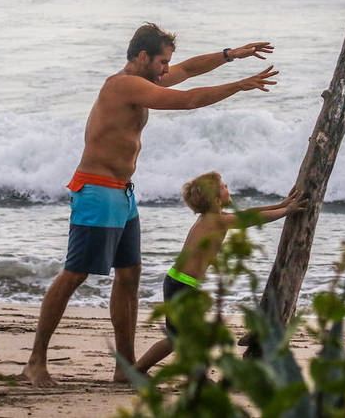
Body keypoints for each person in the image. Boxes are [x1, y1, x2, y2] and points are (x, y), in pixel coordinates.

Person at [21, 23, 278, 386]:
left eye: (166, 63)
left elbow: (187, 71)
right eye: (161, 62)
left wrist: (228, 55)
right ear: (142, 57)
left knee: (129, 276)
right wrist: (238, 86)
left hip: (123, 193)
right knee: (75, 274)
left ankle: (124, 366)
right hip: (97, 191)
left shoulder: (146, 80)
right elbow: (187, 99)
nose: (165, 70)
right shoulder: (123, 85)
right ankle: (36, 360)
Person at [133, 171, 307, 374]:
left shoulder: (214, 218)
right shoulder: (215, 221)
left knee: (177, 337)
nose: (227, 187)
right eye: (223, 186)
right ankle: (189, 376)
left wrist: (282, 204)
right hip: (182, 286)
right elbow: (251, 220)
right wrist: (286, 211)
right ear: (215, 198)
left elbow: (248, 213)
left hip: (180, 282)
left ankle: (139, 370)